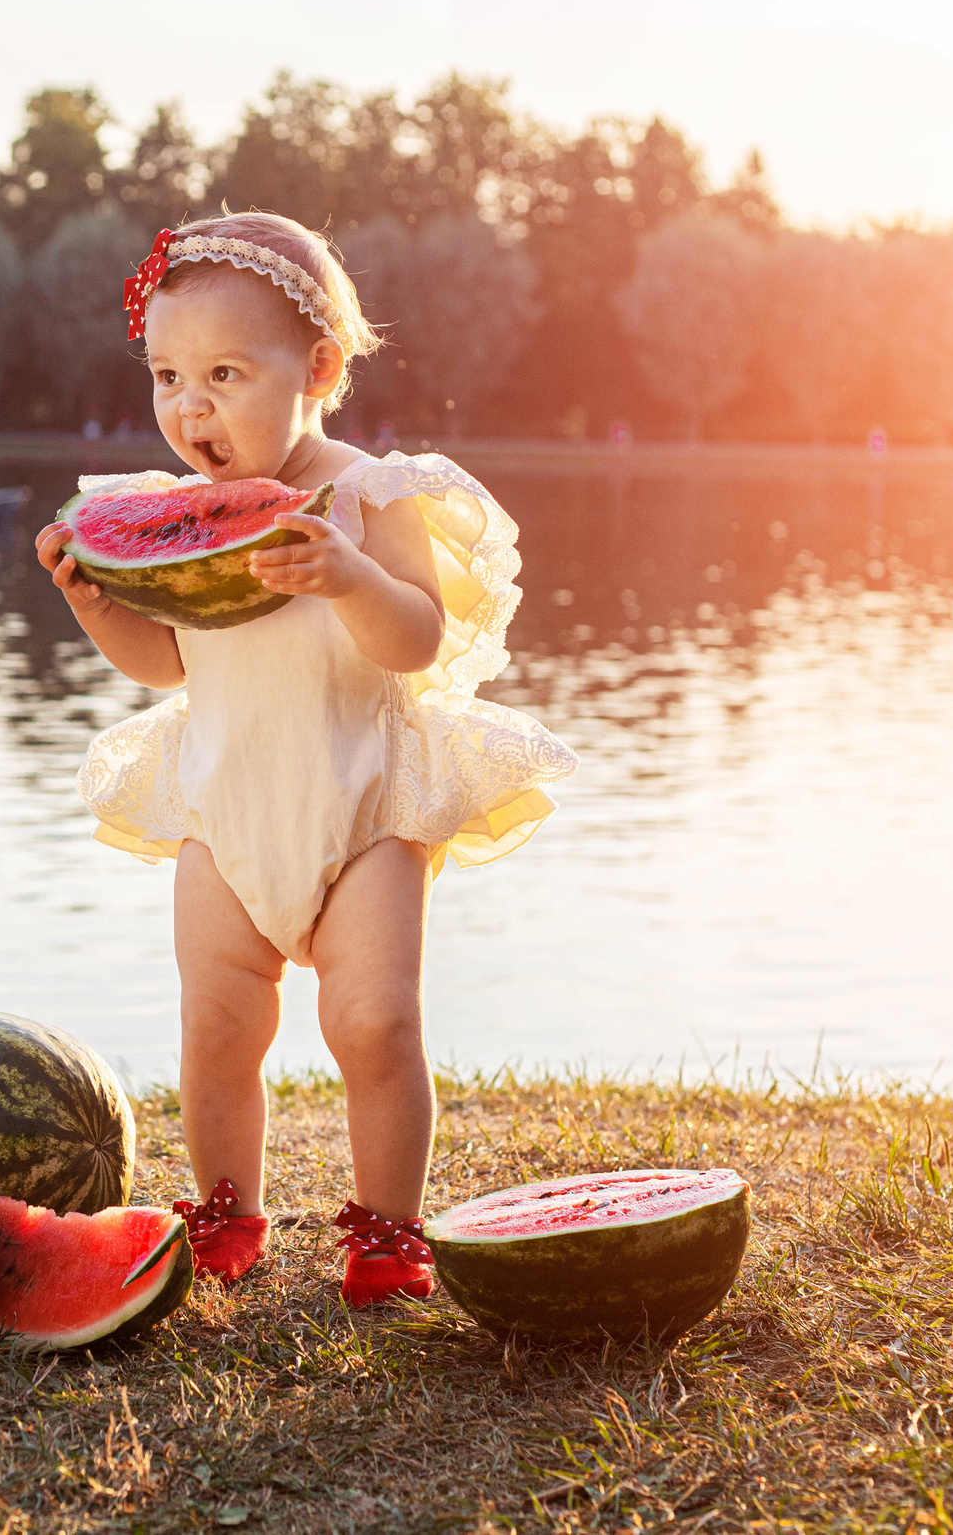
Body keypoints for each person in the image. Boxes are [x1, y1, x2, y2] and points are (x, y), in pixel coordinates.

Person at [33, 213, 575, 1308]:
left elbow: (415, 639)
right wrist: (92, 604)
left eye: (225, 374)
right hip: (225, 809)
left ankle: (388, 1230)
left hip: (364, 805)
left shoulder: (373, 494)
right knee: (216, 1024)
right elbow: (166, 668)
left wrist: (349, 581)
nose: (191, 406)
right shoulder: (180, 509)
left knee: (374, 1025)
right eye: (168, 375)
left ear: (317, 369)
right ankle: (228, 1210)